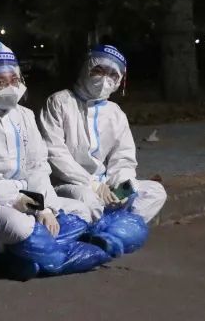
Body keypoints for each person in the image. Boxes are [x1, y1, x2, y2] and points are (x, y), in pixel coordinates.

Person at [0, 42, 110, 277]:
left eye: (14, 80)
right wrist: (17, 198)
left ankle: (19, 257)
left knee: (81, 212)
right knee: (20, 226)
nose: (10, 87)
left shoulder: (24, 115)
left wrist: (45, 207)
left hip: (31, 199)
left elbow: (37, 166)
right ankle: (48, 257)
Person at [38, 44, 166, 252]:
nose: (104, 79)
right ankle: (108, 236)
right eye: (98, 70)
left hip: (107, 186)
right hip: (70, 184)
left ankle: (110, 234)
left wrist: (120, 186)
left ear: (119, 81)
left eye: (112, 75)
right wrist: (93, 185)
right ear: (85, 69)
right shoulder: (59, 102)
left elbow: (123, 158)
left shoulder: (115, 113)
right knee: (87, 199)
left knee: (154, 191)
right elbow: (54, 153)